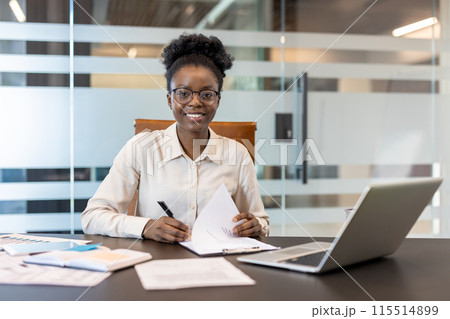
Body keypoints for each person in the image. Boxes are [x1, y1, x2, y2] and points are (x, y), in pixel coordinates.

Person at [81, 34, 269, 243]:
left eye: (206, 94)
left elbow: (260, 221)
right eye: (183, 93)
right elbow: (92, 217)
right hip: (155, 264)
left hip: (218, 263)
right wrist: (145, 226)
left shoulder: (238, 154)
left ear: (218, 100)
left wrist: (254, 225)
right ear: (170, 99)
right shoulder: (141, 149)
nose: (195, 102)